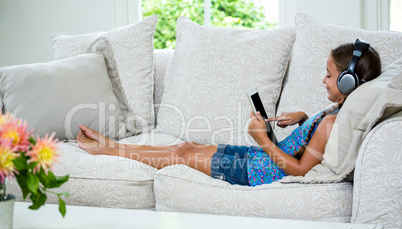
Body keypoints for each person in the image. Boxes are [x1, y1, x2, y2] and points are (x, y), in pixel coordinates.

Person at [77, 41, 382, 187]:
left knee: (181, 152)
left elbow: (301, 170)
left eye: (329, 76)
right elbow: (317, 137)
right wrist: (302, 118)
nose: (323, 80)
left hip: (257, 170)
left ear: (348, 81)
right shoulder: (338, 111)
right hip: (257, 160)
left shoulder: (333, 123)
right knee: (185, 147)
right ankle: (111, 147)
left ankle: (107, 148)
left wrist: (263, 140)